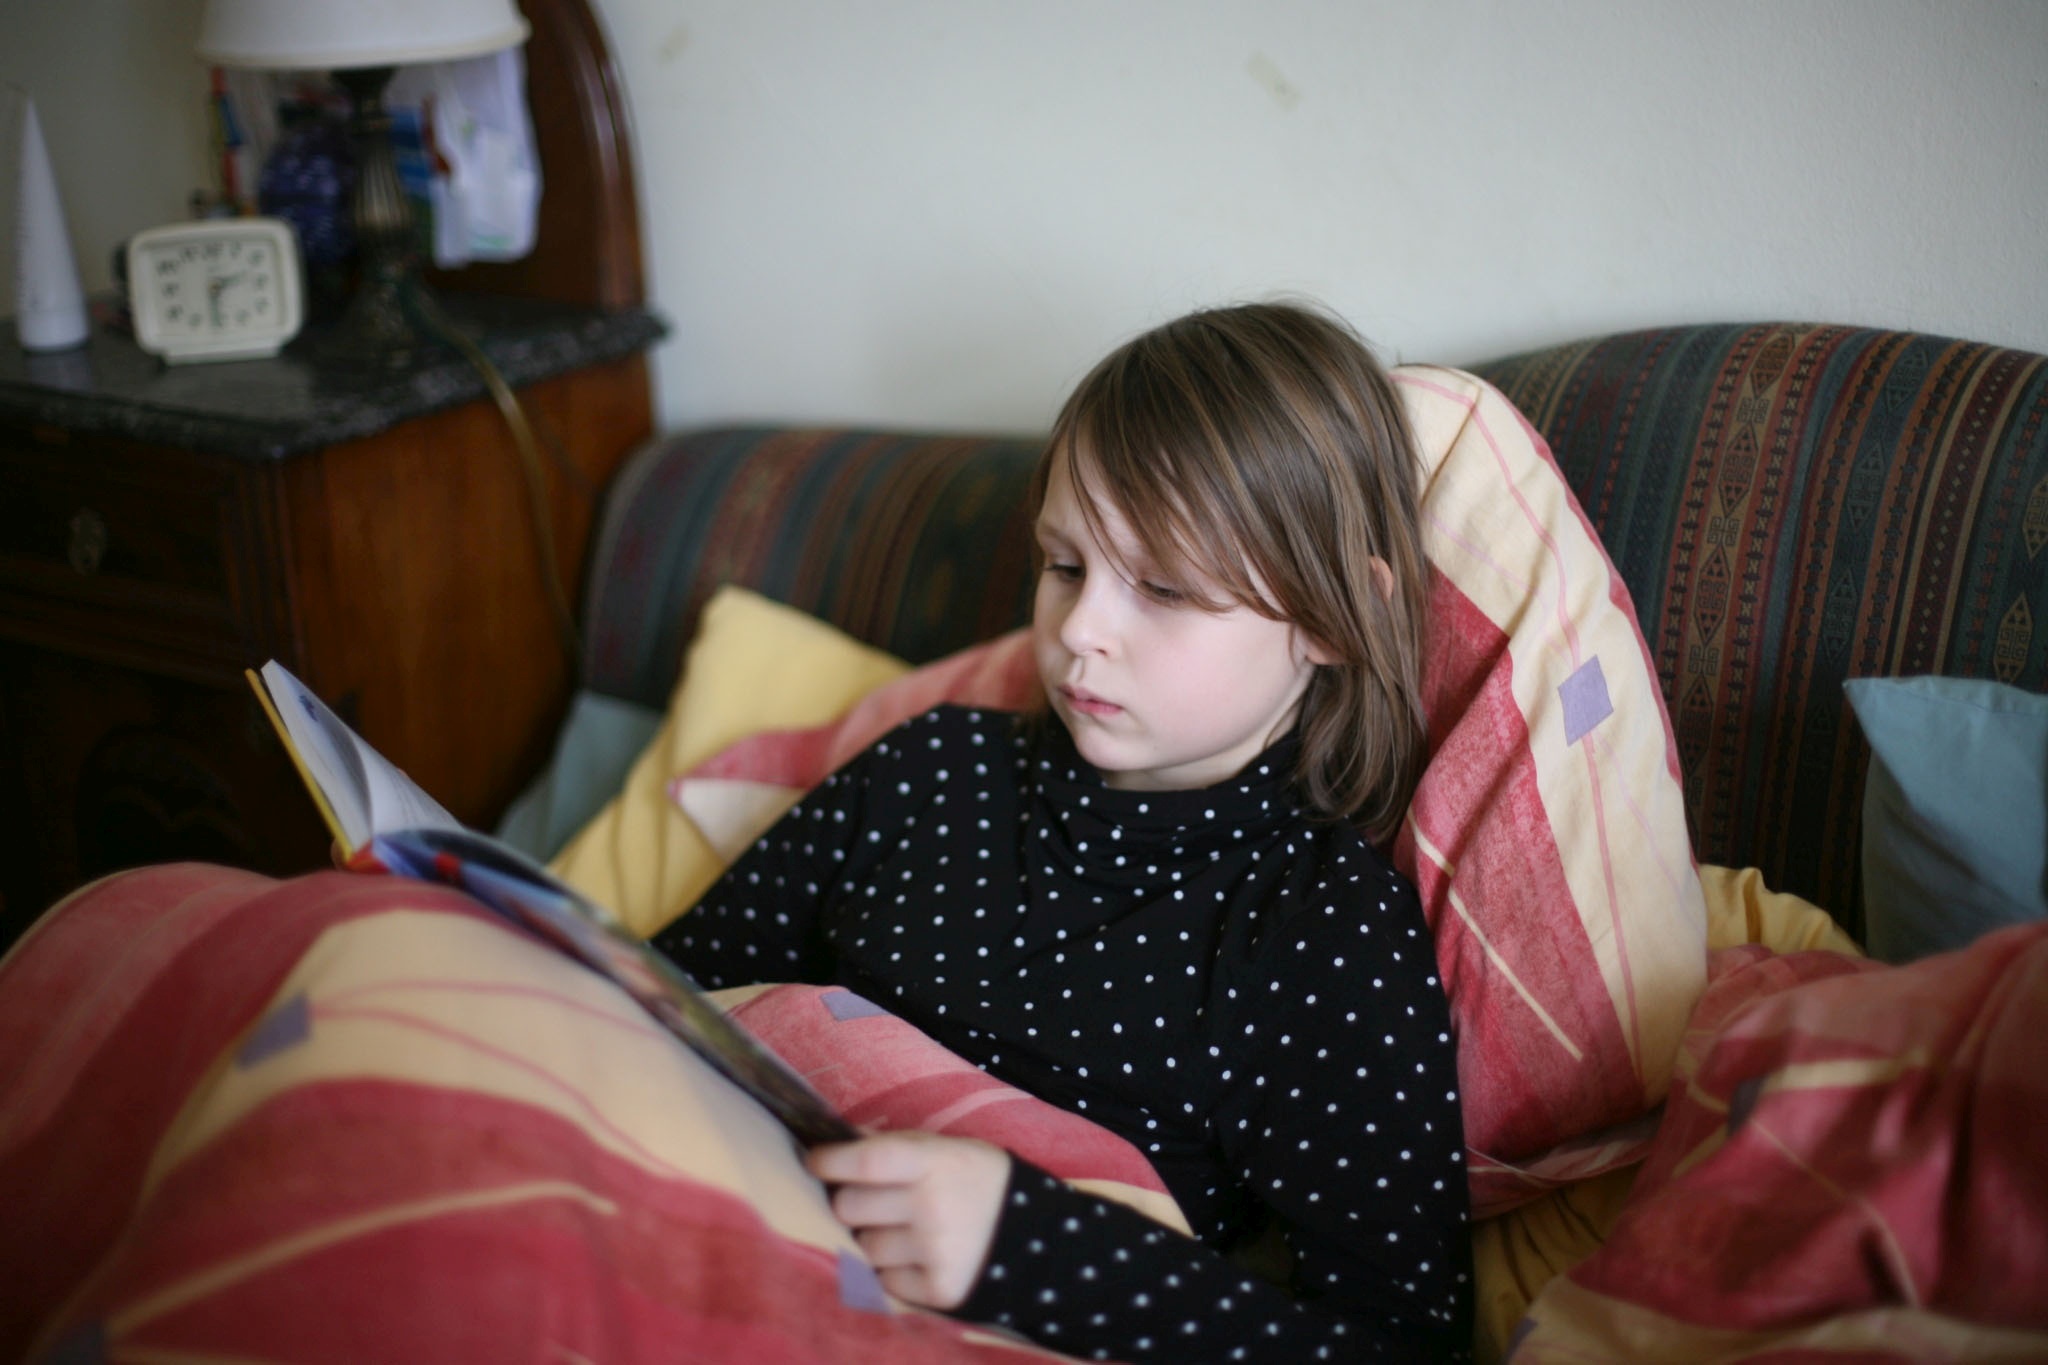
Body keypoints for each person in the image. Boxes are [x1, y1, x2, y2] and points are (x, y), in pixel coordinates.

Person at [653, 300, 1472, 1362]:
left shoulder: (1317, 931)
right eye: (1064, 565)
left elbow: (1403, 1343)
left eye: (1163, 587)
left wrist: (1037, 1252)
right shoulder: (930, 768)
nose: (1080, 629)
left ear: (1331, 614)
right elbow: (665, 998)